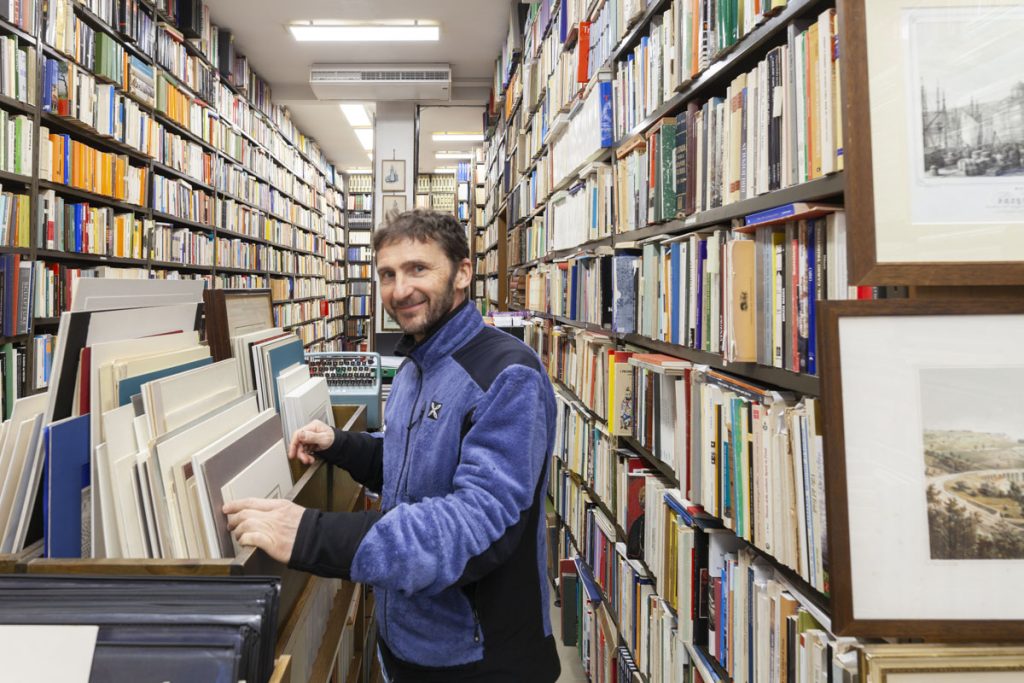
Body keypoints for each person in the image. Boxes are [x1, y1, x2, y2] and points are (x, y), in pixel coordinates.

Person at [223, 209, 561, 682]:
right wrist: (341, 445)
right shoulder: (413, 366)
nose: (400, 290)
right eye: (387, 274)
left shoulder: (508, 374)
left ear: (463, 272)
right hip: (406, 643)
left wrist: (311, 534)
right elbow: (409, 464)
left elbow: (473, 525)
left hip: (477, 660)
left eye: (418, 269)